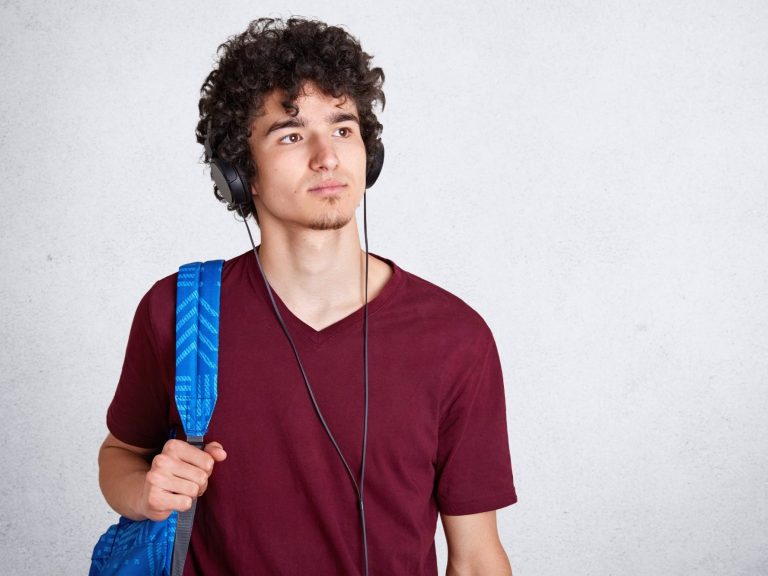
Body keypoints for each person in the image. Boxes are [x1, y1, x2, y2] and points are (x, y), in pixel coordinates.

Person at [98, 17, 516, 575]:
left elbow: (477, 557)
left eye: (343, 129)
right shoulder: (179, 311)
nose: (327, 157)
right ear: (238, 173)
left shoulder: (455, 338)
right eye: (291, 135)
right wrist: (145, 491)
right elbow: (120, 456)